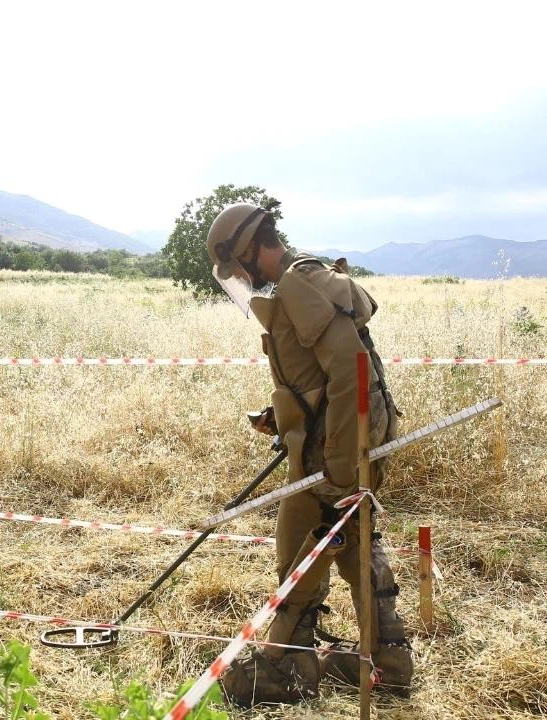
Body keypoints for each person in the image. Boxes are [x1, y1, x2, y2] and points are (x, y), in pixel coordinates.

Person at [205, 203, 413, 705]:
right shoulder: (305, 280)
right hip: (334, 438)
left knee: (303, 537)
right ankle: (386, 660)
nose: (239, 276)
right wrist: (284, 414)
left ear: (253, 250)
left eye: (237, 264)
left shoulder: (299, 285)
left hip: (338, 446)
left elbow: (351, 374)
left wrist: (341, 469)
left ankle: (285, 666)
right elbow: (321, 377)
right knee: (354, 541)